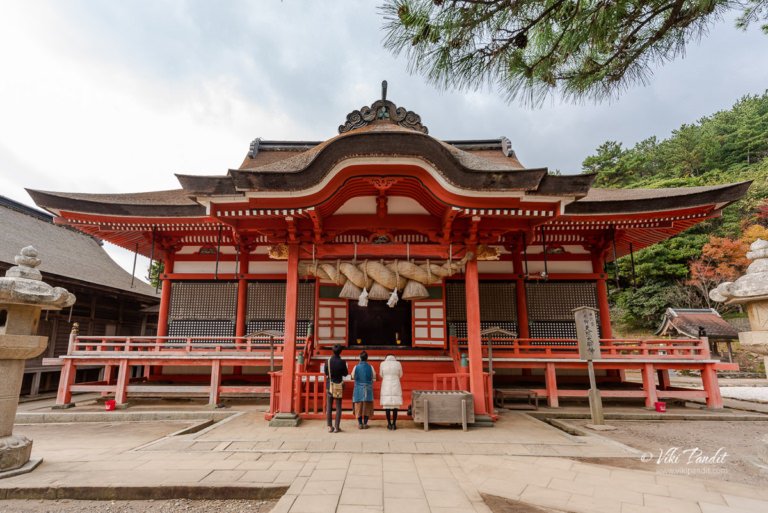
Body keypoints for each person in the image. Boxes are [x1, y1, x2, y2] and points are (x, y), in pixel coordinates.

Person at [325, 344, 348, 433]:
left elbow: (326, 372)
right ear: (340, 352)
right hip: (338, 385)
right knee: (338, 406)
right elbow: (345, 373)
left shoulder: (328, 361)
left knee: (329, 407)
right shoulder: (342, 362)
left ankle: (330, 427)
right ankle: (337, 427)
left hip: (329, 385)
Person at [351, 351, 375, 429]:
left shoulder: (356, 367)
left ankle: (360, 423)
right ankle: (365, 423)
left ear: (360, 358)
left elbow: (352, 376)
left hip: (358, 388)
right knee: (367, 405)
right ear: (367, 358)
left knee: (358, 406)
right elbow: (373, 376)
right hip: (368, 388)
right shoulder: (370, 367)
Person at [379, 354, 403, 430]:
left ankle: (389, 424)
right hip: (395, 384)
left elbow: (381, 374)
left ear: (386, 358)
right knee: (395, 406)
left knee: (387, 406)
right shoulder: (398, 363)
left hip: (386, 384)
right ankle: (394, 424)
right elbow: (401, 374)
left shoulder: (382, 363)